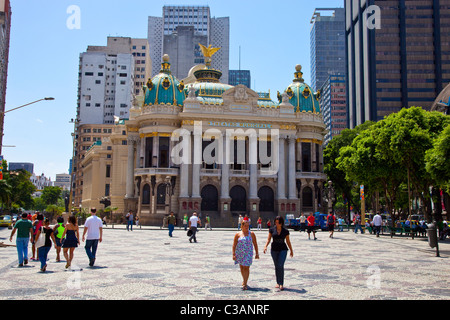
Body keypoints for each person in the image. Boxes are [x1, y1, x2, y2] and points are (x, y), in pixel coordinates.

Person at [263, 216, 293, 291]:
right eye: (276, 222)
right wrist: (265, 246)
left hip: (283, 249)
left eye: (278, 222)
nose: (277, 224)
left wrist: (291, 250)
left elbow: (288, 241)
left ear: (281, 223)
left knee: (280, 265)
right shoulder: (272, 230)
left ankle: (281, 283)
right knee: (276, 265)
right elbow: (268, 239)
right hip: (274, 249)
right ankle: (277, 282)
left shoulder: (285, 231)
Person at [232, 220, 259, 290]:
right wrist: (233, 254)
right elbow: (234, 245)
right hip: (240, 253)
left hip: (248, 253)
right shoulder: (238, 234)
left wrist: (257, 253)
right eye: (245, 226)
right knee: (241, 267)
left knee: (246, 267)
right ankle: (244, 279)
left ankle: (245, 283)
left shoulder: (252, 234)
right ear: (242, 226)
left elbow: (255, 244)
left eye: (248, 226)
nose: (247, 227)